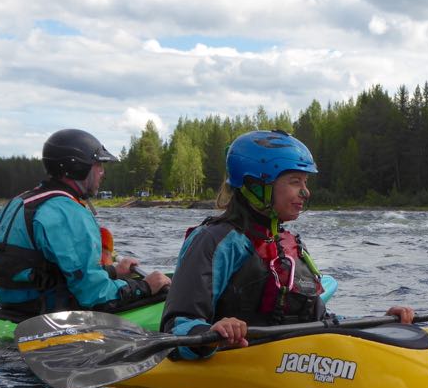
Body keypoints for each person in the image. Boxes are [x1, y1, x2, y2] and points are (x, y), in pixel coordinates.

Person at [161, 129, 413, 360]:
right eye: (295, 182)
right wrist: (212, 332)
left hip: (288, 365)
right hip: (232, 371)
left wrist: (380, 321)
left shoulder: (289, 245)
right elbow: (176, 328)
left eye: (306, 182)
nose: (306, 192)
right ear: (257, 185)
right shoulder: (214, 241)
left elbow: (321, 321)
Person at [0, 128, 170, 315]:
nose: (102, 172)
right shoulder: (67, 212)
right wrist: (144, 287)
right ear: (79, 167)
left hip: (12, 307)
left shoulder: (21, 201)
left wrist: (113, 271)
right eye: (98, 165)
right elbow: (96, 297)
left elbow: (55, 268)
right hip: (44, 313)